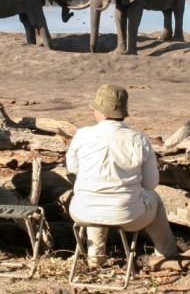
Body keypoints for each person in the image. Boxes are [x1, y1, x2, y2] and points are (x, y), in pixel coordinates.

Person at [66, 84, 177, 266]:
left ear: (102, 112)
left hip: (82, 212)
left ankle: (95, 256)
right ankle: (166, 254)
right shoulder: (139, 139)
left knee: (93, 196)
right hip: (128, 216)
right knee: (154, 199)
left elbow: (72, 167)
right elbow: (150, 185)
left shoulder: (82, 135)